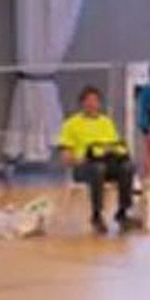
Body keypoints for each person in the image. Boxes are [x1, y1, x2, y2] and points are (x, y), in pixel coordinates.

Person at [57, 87, 139, 234]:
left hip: (107, 162)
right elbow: (65, 156)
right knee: (97, 168)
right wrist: (78, 160)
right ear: (82, 103)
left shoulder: (106, 122)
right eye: (88, 100)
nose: (92, 104)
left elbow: (114, 145)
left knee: (128, 167)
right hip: (83, 166)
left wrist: (116, 151)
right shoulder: (70, 124)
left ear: (99, 103)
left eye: (95, 101)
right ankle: (97, 215)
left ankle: (122, 213)